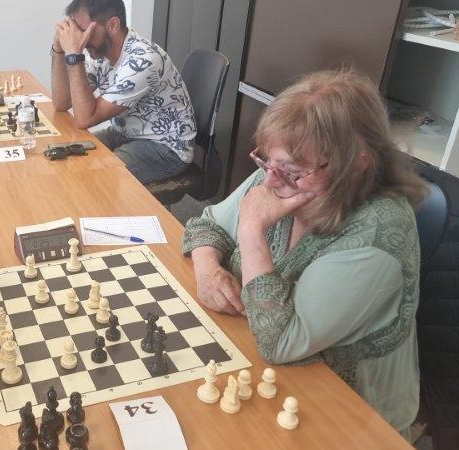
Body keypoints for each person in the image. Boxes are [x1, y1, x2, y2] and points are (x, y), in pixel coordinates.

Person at [182, 70, 427, 438]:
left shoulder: (378, 235)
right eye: (267, 163)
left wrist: (250, 231)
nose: (269, 181)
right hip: (261, 366)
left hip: (347, 416)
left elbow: (279, 341)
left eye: (292, 171)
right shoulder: (283, 174)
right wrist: (206, 270)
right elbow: (206, 226)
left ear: (356, 164)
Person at [51, 0, 196, 184]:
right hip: (125, 132)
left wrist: (74, 54)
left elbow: (84, 119)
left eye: (85, 31)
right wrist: (58, 49)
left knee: (95, 176)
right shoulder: (102, 54)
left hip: (165, 146)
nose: (81, 39)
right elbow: (62, 102)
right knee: (67, 154)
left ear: (113, 25)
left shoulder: (143, 60)